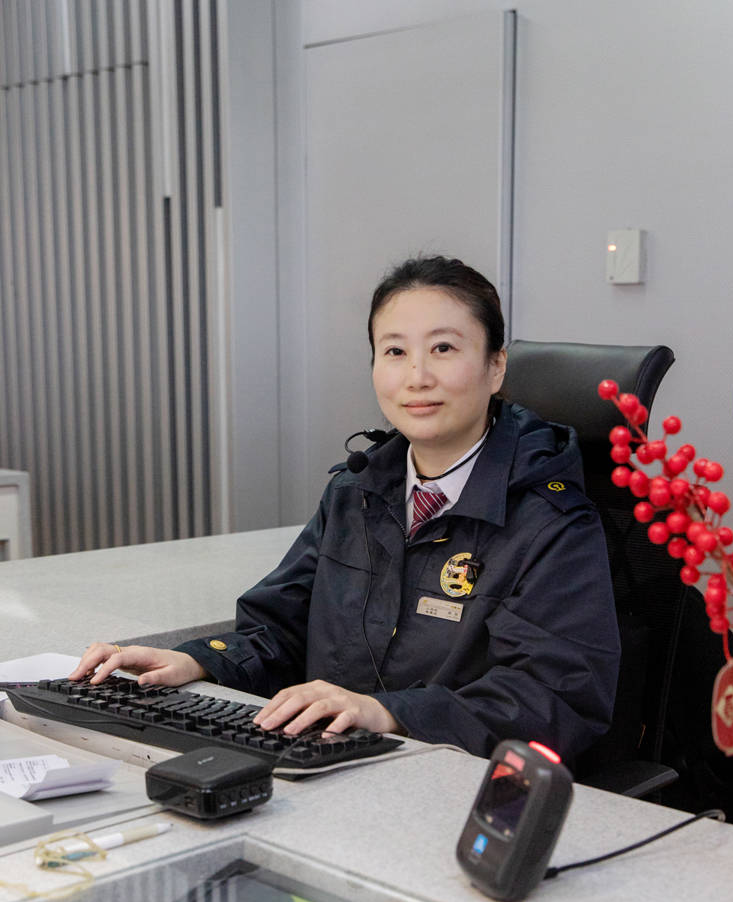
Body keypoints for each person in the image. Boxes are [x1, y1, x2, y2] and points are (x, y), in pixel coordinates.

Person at [70, 257, 620, 766]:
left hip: (454, 787)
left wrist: (387, 713)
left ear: (496, 367)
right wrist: (196, 661)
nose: (417, 377)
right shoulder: (357, 491)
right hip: (332, 768)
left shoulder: (551, 520)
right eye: (395, 351)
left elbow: (555, 698)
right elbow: (281, 628)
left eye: (444, 349)